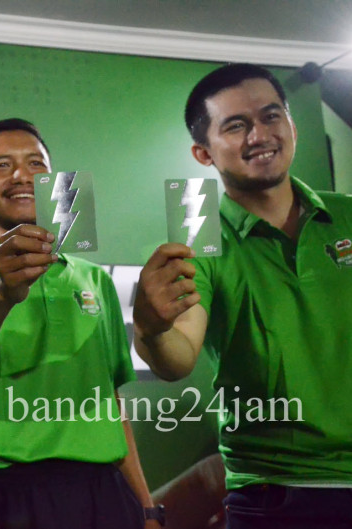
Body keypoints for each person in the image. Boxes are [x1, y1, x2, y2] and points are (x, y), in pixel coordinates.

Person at [133, 63, 352, 528]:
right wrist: (151, 330)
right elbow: (178, 357)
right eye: (236, 125)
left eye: (271, 116)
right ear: (203, 153)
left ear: (291, 125)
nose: (260, 134)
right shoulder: (199, 242)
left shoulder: (347, 215)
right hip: (276, 495)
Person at [0, 118, 160, 529]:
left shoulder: (93, 278)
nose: (22, 175)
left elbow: (111, 404)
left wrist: (145, 506)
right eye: (1, 165)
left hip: (103, 493)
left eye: (36, 164)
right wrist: (4, 293)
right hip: (5, 495)